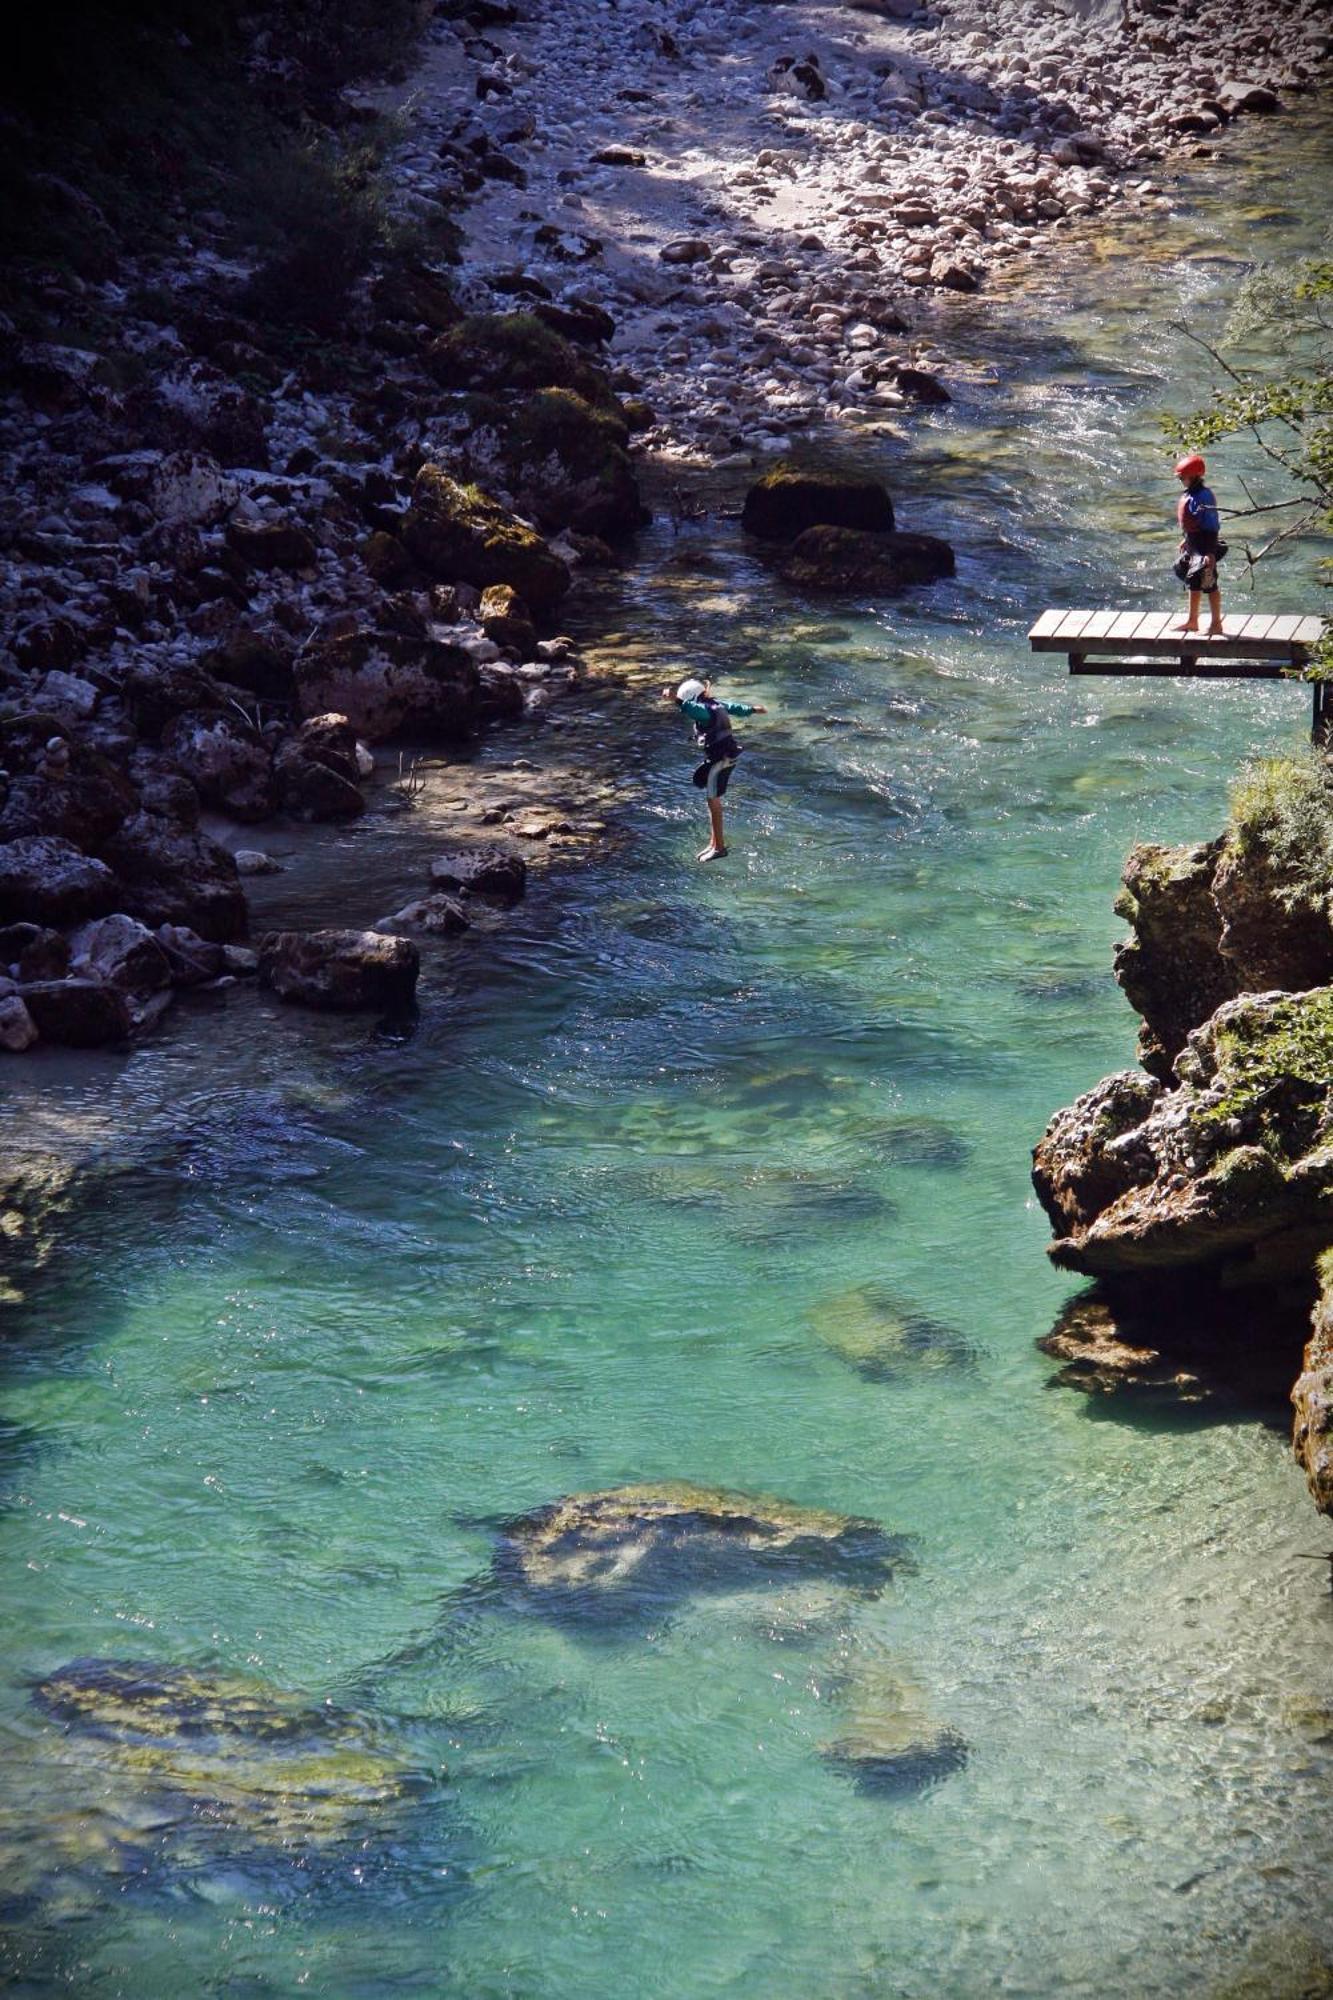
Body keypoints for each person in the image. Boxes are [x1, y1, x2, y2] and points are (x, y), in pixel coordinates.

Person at [662, 675, 766, 862]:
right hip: (727, 755)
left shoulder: (702, 710)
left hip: (721, 759)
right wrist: (752, 710)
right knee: (712, 799)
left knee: (713, 801)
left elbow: (691, 709)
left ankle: (719, 848)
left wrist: (675, 699)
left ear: (691, 697)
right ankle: (714, 843)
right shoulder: (716, 704)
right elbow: (734, 707)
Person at [1174, 452, 1225, 638]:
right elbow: (1192, 522)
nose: (1180, 479)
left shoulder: (1204, 496)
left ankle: (1216, 624)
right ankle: (1192, 620)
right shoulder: (1192, 494)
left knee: (1209, 583)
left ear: (1194, 477)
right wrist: (1187, 540)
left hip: (1205, 547)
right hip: (1194, 544)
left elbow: (1211, 527)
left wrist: (1210, 553)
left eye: (1183, 477)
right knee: (1193, 582)